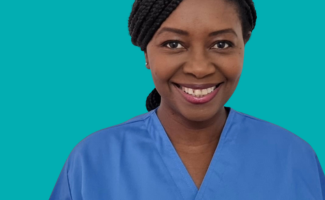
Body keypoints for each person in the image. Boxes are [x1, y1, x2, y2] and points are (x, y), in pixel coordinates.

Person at [50, 0, 325, 199]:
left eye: (221, 44)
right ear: (146, 53)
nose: (199, 67)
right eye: (173, 44)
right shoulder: (93, 161)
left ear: (245, 43)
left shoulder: (295, 159)